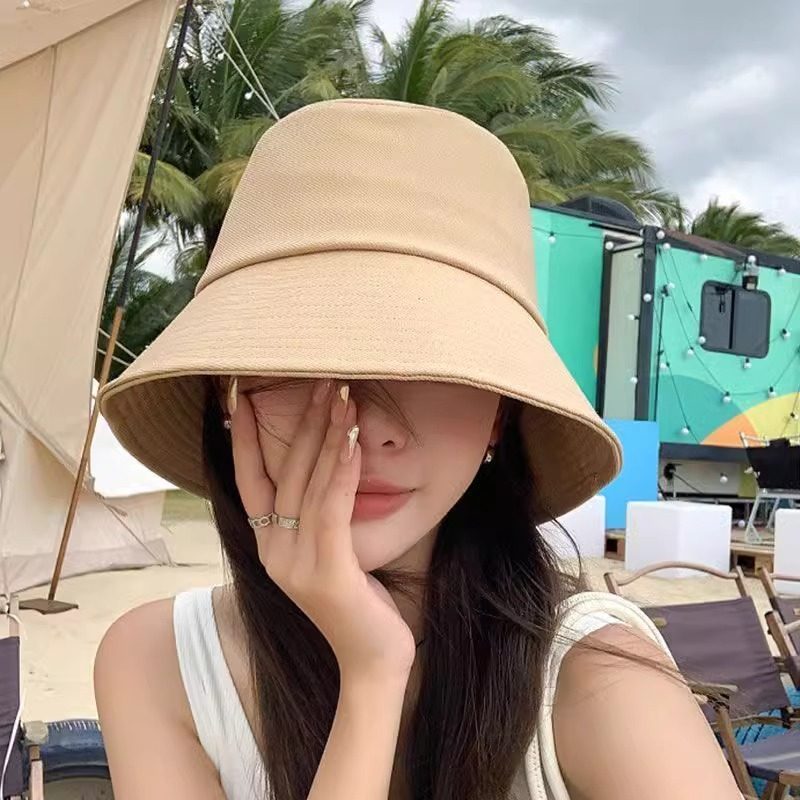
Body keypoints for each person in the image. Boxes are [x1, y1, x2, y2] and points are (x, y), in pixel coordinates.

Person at [93, 99, 742, 800]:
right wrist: (371, 676)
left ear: (500, 414)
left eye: (431, 365)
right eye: (301, 357)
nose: (369, 428)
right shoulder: (158, 664)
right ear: (227, 394)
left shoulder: (601, 682)